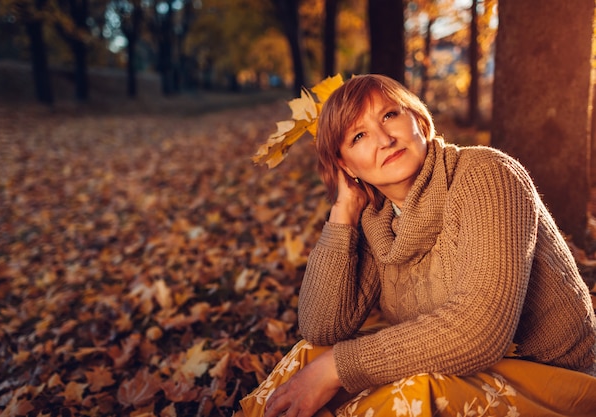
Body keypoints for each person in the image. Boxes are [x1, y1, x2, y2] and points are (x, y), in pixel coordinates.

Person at [239, 74, 596, 417]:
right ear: (346, 166)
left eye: (390, 115)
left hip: (555, 380)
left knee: (405, 394)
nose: (384, 139)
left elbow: (480, 332)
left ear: (420, 122)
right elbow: (321, 328)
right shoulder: (377, 220)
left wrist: (336, 368)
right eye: (359, 136)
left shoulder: (487, 174)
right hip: (467, 372)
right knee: (309, 355)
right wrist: (343, 211)